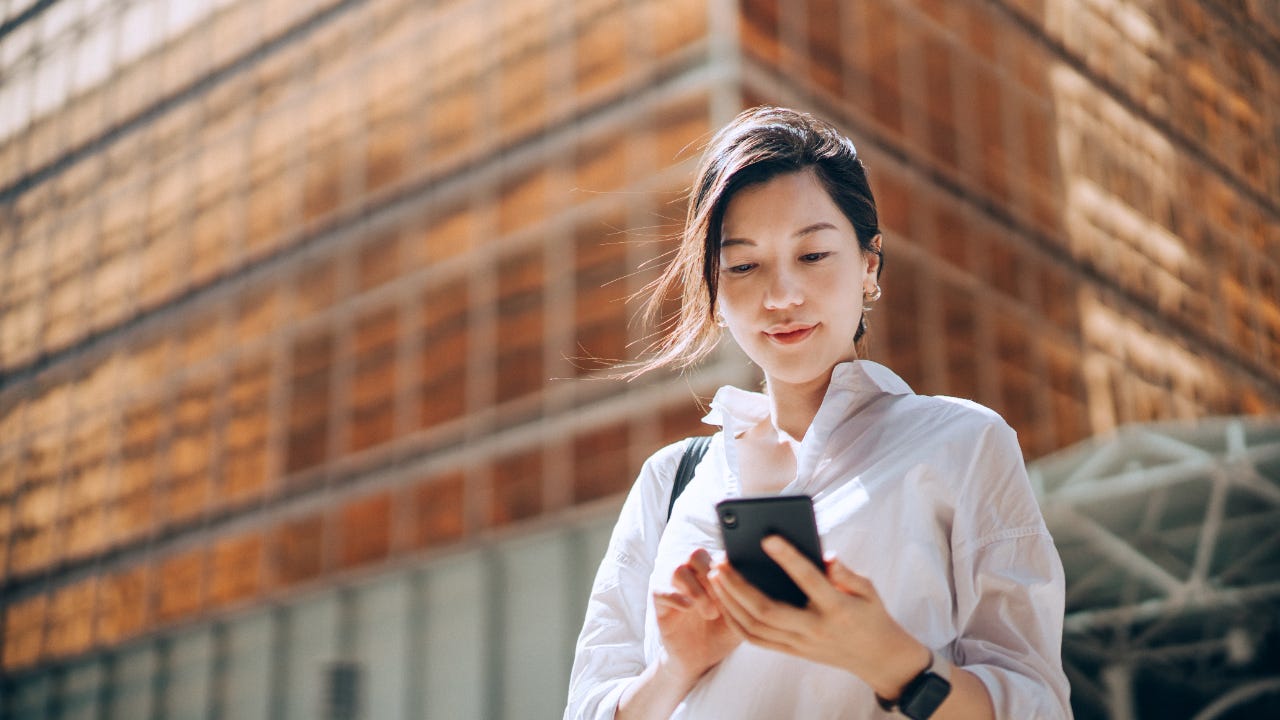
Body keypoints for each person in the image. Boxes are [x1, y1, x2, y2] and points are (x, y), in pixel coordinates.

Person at [564, 107, 1071, 719]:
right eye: (744, 265)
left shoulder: (962, 443)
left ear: (869, 266)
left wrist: (890, 660)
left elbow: (1038, 705)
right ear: (717, 294)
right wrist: (678, 666)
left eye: (813, 255)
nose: (781, 296)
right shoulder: (671, 481)